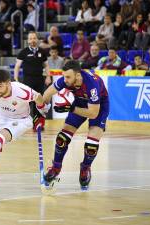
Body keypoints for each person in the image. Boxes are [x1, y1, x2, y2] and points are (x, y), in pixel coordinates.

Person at [42, 60, 109, 190]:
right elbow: (47, 94)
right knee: (62, 138)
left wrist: (71, 109)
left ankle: (85, 167)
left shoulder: (92, 85)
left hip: (99, 108)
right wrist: (40, 111)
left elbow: (93, 113)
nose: (65, 80)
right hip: (80, 103)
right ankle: (56, 167)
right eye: (64, 76)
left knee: (91, 146)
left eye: (68, 77)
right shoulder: (66, 80)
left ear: (78, 76)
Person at [14, 31, 51, 131]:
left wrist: (48, 76)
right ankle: (20, 124)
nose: (32, 40)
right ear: (28, 40)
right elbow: (17, 66)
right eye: (30, 38)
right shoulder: (23, 52)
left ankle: (38, 125)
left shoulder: (42, 52)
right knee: (25, 103)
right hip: (27, 81)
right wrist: (16, 78)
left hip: (39, 80)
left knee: (39, 103)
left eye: (34, 38)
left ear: (37, 40)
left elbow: (46, 65)